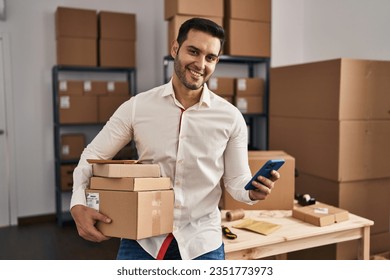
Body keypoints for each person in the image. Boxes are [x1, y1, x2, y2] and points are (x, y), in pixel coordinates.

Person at [70, 17, 280, 260]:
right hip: (144, 238)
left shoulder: (231, 117)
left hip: (202, 241)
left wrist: (251, 192)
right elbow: (92, 156)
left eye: (210, 57)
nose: (201, 64)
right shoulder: (138, 107)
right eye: (193, 51)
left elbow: (235, 181)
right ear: (175, 49)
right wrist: (77, 203)